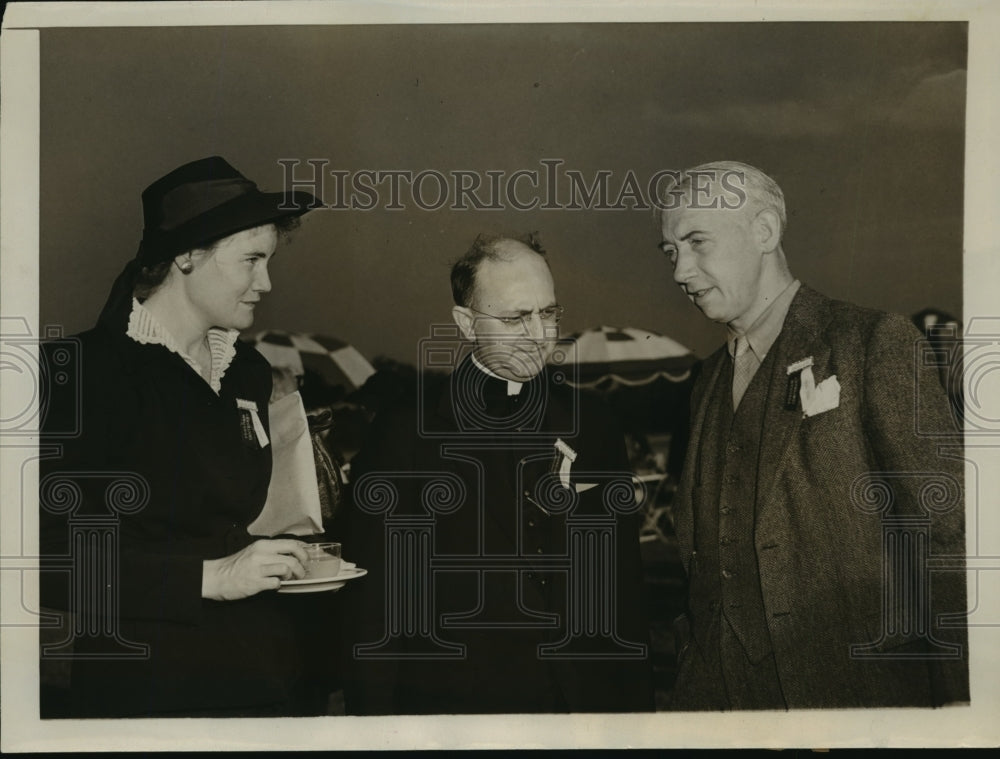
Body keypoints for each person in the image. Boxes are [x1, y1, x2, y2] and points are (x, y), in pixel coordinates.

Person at [657, 161, 968, 709]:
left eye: (696, 242)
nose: (681, 271)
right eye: (671, 252)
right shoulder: (704, 381)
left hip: (857, 696)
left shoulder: (873, 342)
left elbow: (945, 537)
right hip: (722, 702)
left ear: (764, 231)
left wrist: (959, 707)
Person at [39, 156, 323, 717]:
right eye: (251, 260)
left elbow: (236, 517)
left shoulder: (248, 371)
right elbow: (45, 559)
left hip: (260, 674)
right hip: (145, 684)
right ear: (187, 256)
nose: (265, 283)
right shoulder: (83, 373)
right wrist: (209, 577)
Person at [342, 234, 654, 714]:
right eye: (514, 318)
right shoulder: (406, 430)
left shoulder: (593, 421)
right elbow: (374, 608)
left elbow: (623, 589)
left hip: (583, 708)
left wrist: (636, 722)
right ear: (466, 324)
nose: (538, 335)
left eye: (547, 314)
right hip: (456, 715)